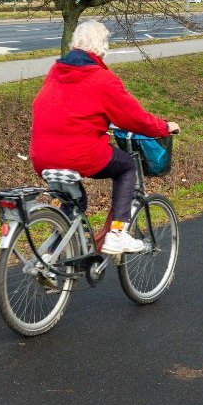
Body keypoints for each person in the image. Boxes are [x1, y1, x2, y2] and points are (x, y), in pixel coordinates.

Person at [29, 19, 179, 255]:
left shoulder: (56, 71)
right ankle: (117, 234)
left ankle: (51, 258)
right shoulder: (101, 78)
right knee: (127, 167)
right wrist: (163, 127)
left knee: (75, 202)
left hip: (42, 154)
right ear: (102, 49)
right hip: (79, 154)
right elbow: (134, 118)